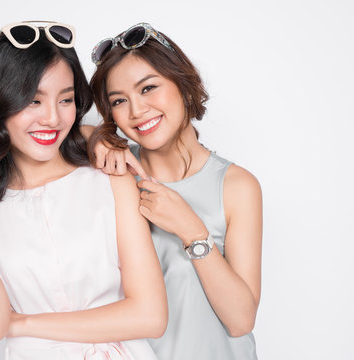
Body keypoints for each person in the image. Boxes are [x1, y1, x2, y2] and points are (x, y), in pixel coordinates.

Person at [0, 21, 167, 359]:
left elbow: (150, 316)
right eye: (33, 101)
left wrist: (22, 323)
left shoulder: (110, 177)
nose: (53, 118)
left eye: (65, 99)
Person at [86, 22, 262, 359]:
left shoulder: (237, 186)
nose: (136, 111)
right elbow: (54, 134)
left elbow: (241, 321)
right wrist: (95, 136)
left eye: (148, 88)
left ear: (183, 84)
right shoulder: (113, 174)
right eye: (119, 100)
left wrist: (191, 230)